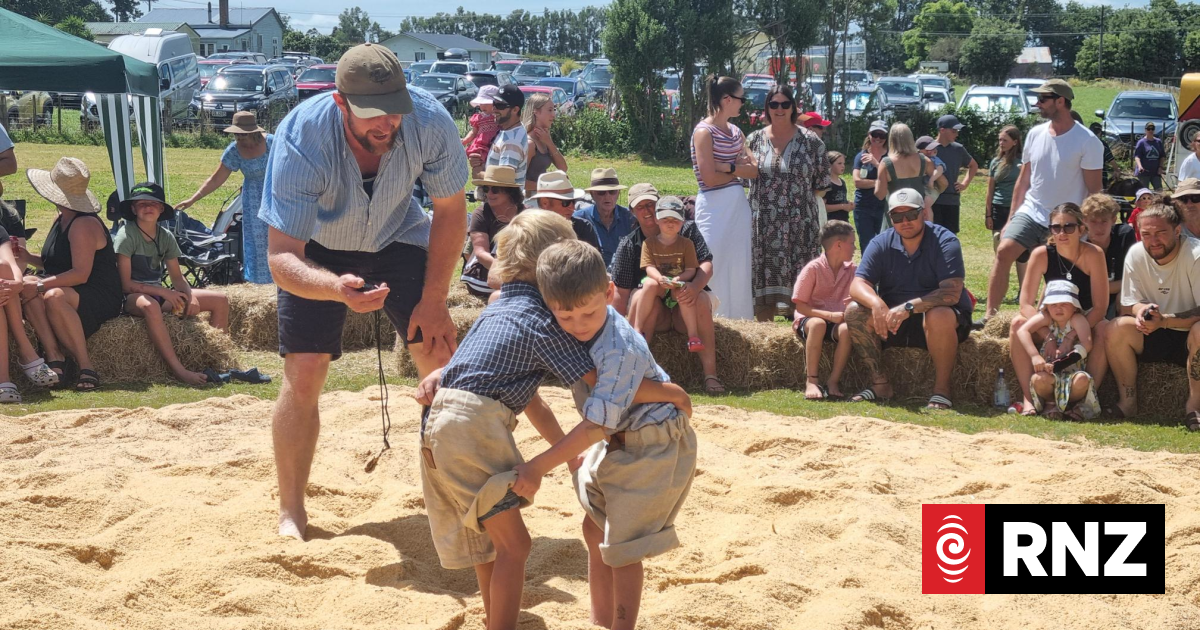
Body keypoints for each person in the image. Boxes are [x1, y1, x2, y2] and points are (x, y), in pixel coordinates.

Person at [259, 43, 468, 541]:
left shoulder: (430, 119)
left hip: (400, 236)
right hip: (319, 252)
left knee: (439, 354)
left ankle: (456, 495)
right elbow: (281, 257)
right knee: (305, 372)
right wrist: (334, 287)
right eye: (372, 115)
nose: (386, 124)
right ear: (340, 103)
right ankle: (292, 511)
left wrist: (436, 298)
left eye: (394, 111)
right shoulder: (301, 136)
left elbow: (452, 211)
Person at [412, 211, 595, 630]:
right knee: (516, 545)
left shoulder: (498, 310)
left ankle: (496, 618)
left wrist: (570, 458)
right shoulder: (543, 321)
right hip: (472, 423)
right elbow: (593, 379)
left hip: (436, 422)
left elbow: (535, 405)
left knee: (486, 542)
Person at [512, 239, 696, 630]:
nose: (578, 325)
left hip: (652, 442)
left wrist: (538, 467)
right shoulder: (571, 322)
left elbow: (597, 423)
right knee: (592, 527)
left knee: (622, 550)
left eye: (588, 313)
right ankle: (600, 619)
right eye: (565, 317)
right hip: (618, 437)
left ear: (609, 292)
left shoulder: (618, 348)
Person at [984, 79, 1103, 324]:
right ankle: (990, 319)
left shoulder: (1088, 141)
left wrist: (1086, 228)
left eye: (1043, 99)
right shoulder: (1035, 134)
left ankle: (1046, 321)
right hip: (1032, 211)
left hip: (1066, 220)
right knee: (1004, 250)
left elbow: (1094, 191)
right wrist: (1010, 219)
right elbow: (1023, 180)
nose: (1037, 104)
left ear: (1061, 101)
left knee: (1056, 275)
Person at [844, 188, 972, 410]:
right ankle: (880, 383)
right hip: (894, 321)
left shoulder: (945, 240)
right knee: (854, 311)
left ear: (923, 213)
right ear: (890, 218)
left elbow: (951, 292)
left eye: (911, 214)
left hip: (939, 320)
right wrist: (876, 303)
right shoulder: (880, 242)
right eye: (897, 216)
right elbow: (857, 284)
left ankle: (942, 390)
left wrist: (909, 307)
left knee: (938, 314)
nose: (905, 221)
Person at [20, 157, 123, 391]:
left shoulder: (83, 224)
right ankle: (55, 357)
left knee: (51, 294)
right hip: (70, 286)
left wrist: (38, 286)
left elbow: (80, 274)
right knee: (29, 283)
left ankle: (86, 365)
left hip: (97, 293)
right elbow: (53, 263)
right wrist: (27, 258)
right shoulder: (61, 218)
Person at [114, 182, 231, 386]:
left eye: (153, 203)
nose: (148, 207)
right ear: (133, 209)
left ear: (161, 209)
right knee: (150, 306)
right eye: (141, 203)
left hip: (158, 294)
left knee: (220, 300)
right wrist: (164, 292)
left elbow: (177, 278)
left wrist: (190, 296)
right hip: (130, 298)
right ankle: (179, 370)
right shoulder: (127, 234)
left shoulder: (165, 236)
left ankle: (217, 363)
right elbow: (125, 284)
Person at [611, 183, 721, 392]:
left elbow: (706, 264)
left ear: (659, 205)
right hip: (654, 308)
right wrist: (615, 330)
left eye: (650, 204)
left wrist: (695, 287)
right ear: (632, 212)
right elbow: (621, 292)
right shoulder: (629, 244)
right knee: (642, 295)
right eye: (640, 206)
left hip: (685, 303)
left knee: (700, 300)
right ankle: (635, 371)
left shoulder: (687, 230)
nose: (646, 210)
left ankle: (711, 375)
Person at [1008, 202, 1109, 416]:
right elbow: (1026, 303)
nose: (1062, 233)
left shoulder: (1094, 253)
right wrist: (1049, 335)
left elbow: (1100, 306)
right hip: (1050, 318)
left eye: (1069, 227)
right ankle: (1029, 398)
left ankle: (1086, 399)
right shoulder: (1041, 254)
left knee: (1104, 328)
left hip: (1082, 319)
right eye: (1056, 227)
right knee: (1017, 323)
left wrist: (1072, 334)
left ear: (1082, 229)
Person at [1105, 203, 1200, 427]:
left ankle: (1194, 407)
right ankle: (1128, 403)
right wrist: (1142, 312)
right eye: (1146, 234)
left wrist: (1165, 320)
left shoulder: (1195, 255)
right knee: (1116, 327)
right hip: (1154, 330)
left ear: (1177, 231)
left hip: (1190, 336)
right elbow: (1130, 303)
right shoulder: (1137, 254)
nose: (1153, 240)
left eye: (1160, 233)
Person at [746, 85, 830, 321]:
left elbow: (822, 184)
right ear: (767, 108)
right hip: (764, 226)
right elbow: (744, 178)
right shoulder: (754, 140)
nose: (779, 109)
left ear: (793, 107)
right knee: (762, 294)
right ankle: (764, 342)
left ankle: (802, 337)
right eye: (774, 104)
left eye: (785, 104)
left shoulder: (812, 142)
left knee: (801, 291)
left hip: (800, 225)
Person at [175, 111, 274, 284]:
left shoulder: (273, 143)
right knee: (257, 242)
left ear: (253, 131)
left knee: (277, 239)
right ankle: (260, 282)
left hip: (275, 195)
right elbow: (216, 179)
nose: (238, 137)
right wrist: (193, 199)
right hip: (252, 200)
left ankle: (281, 280)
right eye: (236, 134)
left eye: (241, 134)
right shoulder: (234, 150)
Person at [691, 75, 757, 320]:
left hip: (737, 207)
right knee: (713, 262)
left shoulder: (737, 132)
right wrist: (736, 171)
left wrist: (726, 167)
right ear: (727, 99)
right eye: (741, 98)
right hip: (713, 207)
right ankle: (712, 319)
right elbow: (708, 179)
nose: (743, 104)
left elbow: (755, 170)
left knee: (739, 266)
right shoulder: (703, 132)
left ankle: (740, 321)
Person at [1015, 279, 1101, 421]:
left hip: (1072, 373)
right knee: (1038, 379)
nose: (1058, 308)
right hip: (1049, 373)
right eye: (1053, 304)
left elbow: (1087, 344)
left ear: (1074, 307)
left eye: (1064, 304)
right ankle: (1050, 402)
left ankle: (1072, 405)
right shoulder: (1046, 318)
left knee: (1082, 380)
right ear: (1047, 307)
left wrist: (1062, 361)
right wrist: (1035, 356)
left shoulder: (1077, 319)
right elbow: (1022, 331)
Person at [793, 220, 856, 401]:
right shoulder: (812, 269)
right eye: (851, 243)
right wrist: (829, 315)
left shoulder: (853, 271)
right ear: (838, 245)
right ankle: (811, 381)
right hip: (811, 319)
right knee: (819, 325)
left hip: (838, 322)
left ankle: (833, 381)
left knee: (846, 330)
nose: (854, 248)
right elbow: (800, 306)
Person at [640, 196, 703, 352]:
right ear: (657, 220)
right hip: (658, 282)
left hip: (676, 283)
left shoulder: (686, 244)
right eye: (665, 219)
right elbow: (648, 267)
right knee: (648, 284)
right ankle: (636, 328)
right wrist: (659, 278)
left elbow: (691, 270)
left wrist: (678, 279)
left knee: (684, 292)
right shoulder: (649, 243)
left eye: (675, 220)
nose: (670, 223)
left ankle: (693, 336)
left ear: (682, 222)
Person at [460, 165, 523, 300]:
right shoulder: (481, 213)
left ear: (509, 191)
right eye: (486, 189)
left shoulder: (525, 213)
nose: (489, 194)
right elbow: (481, 253)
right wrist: (508, 275)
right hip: (485, 274)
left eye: (495, 190)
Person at [1080, 193, 1136, 319]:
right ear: (1084, 221)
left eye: (1104, 221)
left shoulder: (1124, 236)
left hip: (1118, 299)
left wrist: (1098, 288)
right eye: (1093, 221)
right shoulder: (1078, 242)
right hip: (1086, 301)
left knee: (1126, 297)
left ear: (1114, 220)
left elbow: (1136, 279)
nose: (1099, 227)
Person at [874, 123, 935, 223]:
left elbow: (880, 194)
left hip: (896, 216)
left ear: (891, 140)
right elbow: (942, 183)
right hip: (917, 214)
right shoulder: (924, 160)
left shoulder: (886, 163)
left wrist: (877, 181)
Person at [574, 167, 635, 267]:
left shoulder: (630, 218)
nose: (607, 197)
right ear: (592, 195)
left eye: (612, 192)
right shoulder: (579, 219)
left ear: (618, 193)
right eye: (601, 192)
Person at [526, 172, 601, 251]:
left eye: (573, 201)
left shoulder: (583, 227)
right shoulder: (529, 231)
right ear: (545, 203)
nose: (572, 207)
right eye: (566, 202)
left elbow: (593, 261)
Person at [931, 114, 978, 234]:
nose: (956, 134)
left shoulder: (958, 149)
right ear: (942, 130)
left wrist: (964, 184)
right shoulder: (929, 148)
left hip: (951, 199)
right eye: (953, 131)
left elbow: (973, 165)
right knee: (932, 235)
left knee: (950, 236)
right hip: (932, 199)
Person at [477, 84, 527, 188]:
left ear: (515, 110)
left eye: (500, 105)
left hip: (505, 203)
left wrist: (479, 173)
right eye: (494, 103)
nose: (494, 109)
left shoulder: (512, 141)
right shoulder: (509, 130)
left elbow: (504, 181)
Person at [852, 120, 889, 252]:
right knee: (866, 244)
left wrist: (876, 164)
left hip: (884, 207)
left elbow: (893, 180)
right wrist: (881, 182)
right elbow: (857, 182)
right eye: (875, 134)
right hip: (863, 207)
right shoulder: (861, 156)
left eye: (882, 135)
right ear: (869, 135)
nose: (878, 138)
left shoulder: (889, 156)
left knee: (885, 244)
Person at [522, 92, 568, 197]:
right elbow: (519, 181)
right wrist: (548, 186)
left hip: (543, 197)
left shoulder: (544, 139)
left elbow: (563, 168)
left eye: (554, 110)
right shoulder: (530, 144)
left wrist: (549, 142)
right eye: (550, 110)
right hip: (529, 201)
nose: (553, 115)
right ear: (536, 112)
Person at [986, 125, 1022, 252]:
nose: (1001, 143)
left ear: (1015, 142)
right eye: (1000, 140)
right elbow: (990, 191)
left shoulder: (1023, 162)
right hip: (998, 207)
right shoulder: (995, 162)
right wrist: (988, 215)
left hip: (1018, 209)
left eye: (1005, 140)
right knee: (999, 245)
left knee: (1018, 246)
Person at [463, 84, 501, 180]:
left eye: (485, 103)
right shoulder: (479, 118)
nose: (482, 106)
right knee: (479, 161)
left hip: (494, 143)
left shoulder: (499, 116)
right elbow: (473, 132)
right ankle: (480, 179)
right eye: (480, 103)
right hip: (481, 144)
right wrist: (465, 140)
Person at [915, 135, 948, 209]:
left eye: (934, 148)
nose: (933, 150)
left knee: (925, 207)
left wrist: (932, 180)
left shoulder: (934, 159)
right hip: (920, 187)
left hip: (931, 188)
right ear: (920, 150)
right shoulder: (916, 158)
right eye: (929, 149)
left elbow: (940, 168)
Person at [822, 151, 852, 223]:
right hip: (831, 222)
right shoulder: (826, 183)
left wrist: (848, 204)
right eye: (839, 163)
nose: (843, 166)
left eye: (843, 163)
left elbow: (839, 199)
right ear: (829, 165)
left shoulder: (842, 182)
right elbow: (823, 207)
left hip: (844, 220)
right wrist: (842, 206)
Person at [1133, 122, 1165, 190]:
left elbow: (1162, 156)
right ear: (1145, 130)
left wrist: (1160, 167)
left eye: (1152, 129)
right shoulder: (1141, 143)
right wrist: (1140, 167)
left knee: (1159, 191)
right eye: (1148, 129)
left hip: (1156, 172)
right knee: (1144, 192)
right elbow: (1137, 156)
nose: (1150, 131)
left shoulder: (1158, 142)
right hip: (1144, 172)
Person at [1089, 121, 1118, 189]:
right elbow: (1110, 159)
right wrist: (1117, 170)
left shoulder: (1084, 142)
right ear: (1100, 132)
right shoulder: (1102, 144)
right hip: (1100, 175)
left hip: (1085, 175)